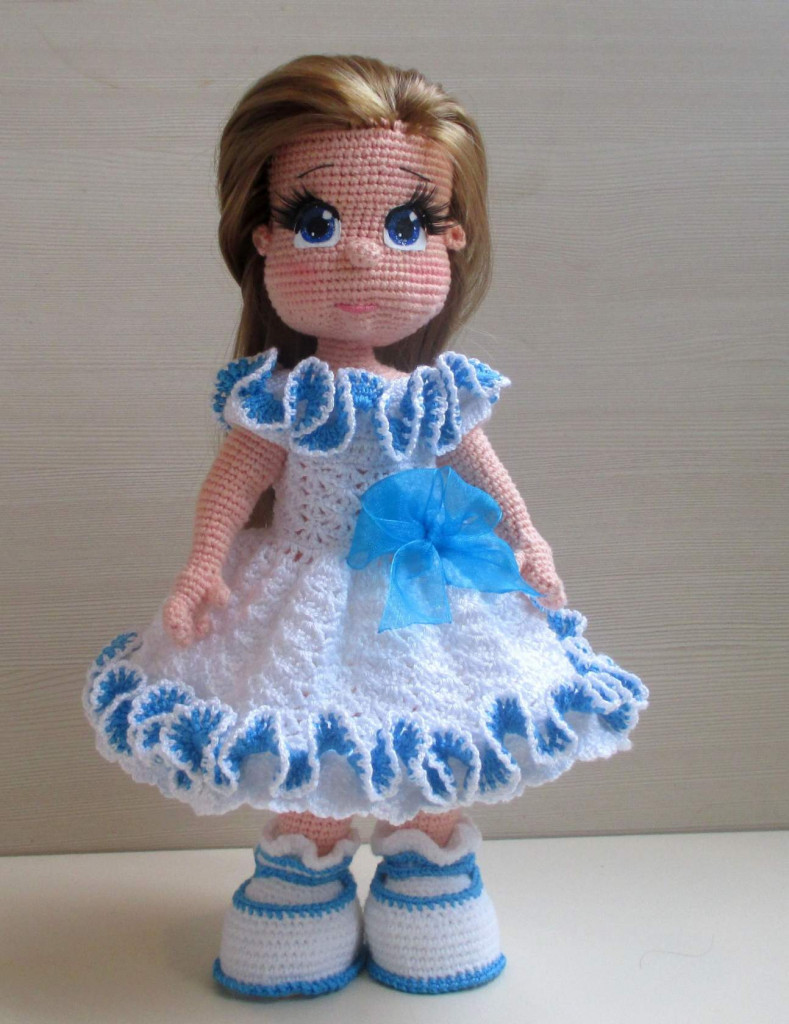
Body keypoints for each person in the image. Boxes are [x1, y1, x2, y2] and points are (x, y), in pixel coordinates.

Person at [84, 54, 647, 998]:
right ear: (265, 240)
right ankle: (301, 877)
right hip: (300, 590)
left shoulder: (435, 395)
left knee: (428, 742)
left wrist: (527, 540)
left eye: (403, 225)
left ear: (450, 241)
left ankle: (427, 872)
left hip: (423, 596)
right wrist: (201, 566)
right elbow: (234, 484)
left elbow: (488, 477)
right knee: (308, 746)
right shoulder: (285, 398)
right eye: (315, 222)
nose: (358, 255)